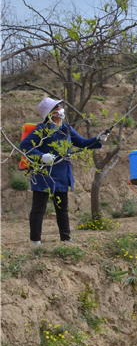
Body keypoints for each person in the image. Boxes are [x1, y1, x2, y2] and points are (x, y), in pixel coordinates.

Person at [20, 97, 107, 244]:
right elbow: (25, 146)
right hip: (43, 174)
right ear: (50, 113)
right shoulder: (43, 129)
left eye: (60, 106)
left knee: (62, 208)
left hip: (61, 174)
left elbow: (81, 142)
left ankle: (66, 237)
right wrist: (41, 157)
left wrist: (97, 139)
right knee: (38, 208)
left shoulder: (66, 128)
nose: (61, 109)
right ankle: (35, 240)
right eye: (57, 107)